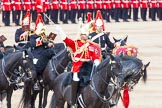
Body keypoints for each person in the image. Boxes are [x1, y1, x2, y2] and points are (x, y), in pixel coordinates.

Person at [56, 22, 102, 108]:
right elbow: (66, 40)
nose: (86, 36)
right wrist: (60, 31)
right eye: (84, 34)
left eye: (87, 34)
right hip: (78, 68)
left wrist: (96, 61)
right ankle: (73, 101)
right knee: (76, 78)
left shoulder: (91, 45)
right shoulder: (75, 44)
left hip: (89, 67)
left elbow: (95, 56)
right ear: (81, 35)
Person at [30, 14, 55, 90]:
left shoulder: (45, 36)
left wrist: (50, 44)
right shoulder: (33, 36)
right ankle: (36, 82)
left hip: (45, 53)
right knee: (37, 68)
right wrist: (42, 41)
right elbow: (33, 44)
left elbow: (47, 45)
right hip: (37, 54)